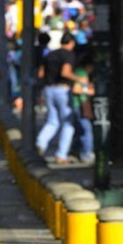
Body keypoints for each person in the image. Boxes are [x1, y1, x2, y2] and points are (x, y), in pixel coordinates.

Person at [36, 32, 85, 163]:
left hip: (48, 89)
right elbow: (65, 72)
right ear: (72, 43)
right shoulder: (68, 55)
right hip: (62, 90)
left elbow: (40, 73)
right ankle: (61, 155)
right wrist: (80, 79)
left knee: (52, 121)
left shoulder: (50, 54)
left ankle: (40, 143)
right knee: (68, 123)